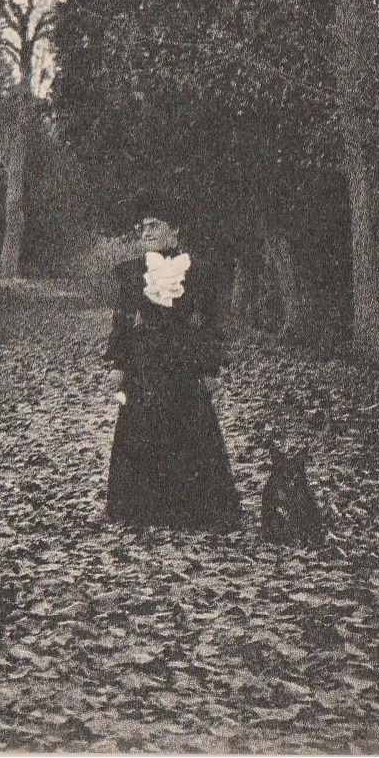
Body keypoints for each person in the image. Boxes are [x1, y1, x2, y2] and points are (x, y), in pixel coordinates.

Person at [104, 213, 242, 529]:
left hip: (183, 361)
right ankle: (142, 510)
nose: (145, 232)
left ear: (176, 229)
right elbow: (122, 321)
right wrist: (119, 363)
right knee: (141, 427)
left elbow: (210, 324)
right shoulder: (132, 273)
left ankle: (191, 510)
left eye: (154, 226)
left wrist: (210, 368)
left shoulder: (198, 273)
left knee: (189, 427)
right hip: (145, 363)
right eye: (142, 227)